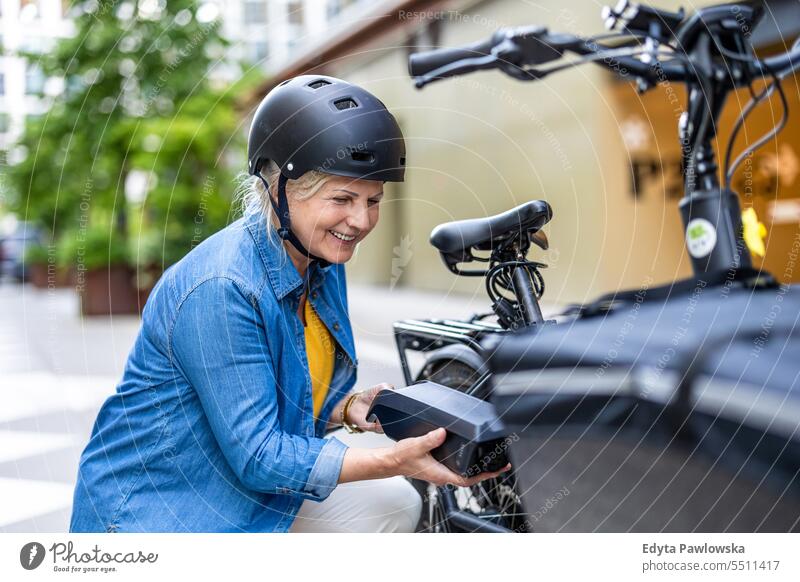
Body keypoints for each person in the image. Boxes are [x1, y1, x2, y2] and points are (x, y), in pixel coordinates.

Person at [69, 75, 509, 533]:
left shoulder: (319, 257)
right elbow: (260, 456)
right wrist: (395, 460)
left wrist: (347, 408)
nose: (360, 221)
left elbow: (281, 396)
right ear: (279, 189)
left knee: (392, 504)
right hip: (165, 514)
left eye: (373, 200)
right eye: (341, 198)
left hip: (244, 492)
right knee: (392, 485)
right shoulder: (221, 288)